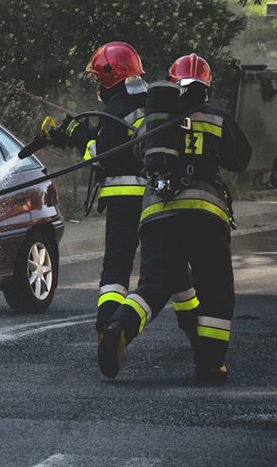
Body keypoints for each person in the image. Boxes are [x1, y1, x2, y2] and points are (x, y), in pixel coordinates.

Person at [97, 53, 252, 381]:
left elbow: (139, 154)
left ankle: (119, 328)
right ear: (207, 87)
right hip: (206, 216)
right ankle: (211, 363)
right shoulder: (217, 118)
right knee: (214, 288)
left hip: (157, 215)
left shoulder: (157, 123)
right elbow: (241, 158)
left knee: (153, 285)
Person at [49, 42, 197, 339]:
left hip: (124, 199)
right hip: (158, 198)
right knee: (173, 264)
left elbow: (102, 155)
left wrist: (77, 135)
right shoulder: (154, 104)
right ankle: (195, 326)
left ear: (108, 76)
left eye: (97, 78)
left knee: (117, 268)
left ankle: (108, 327)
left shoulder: (115, 110)